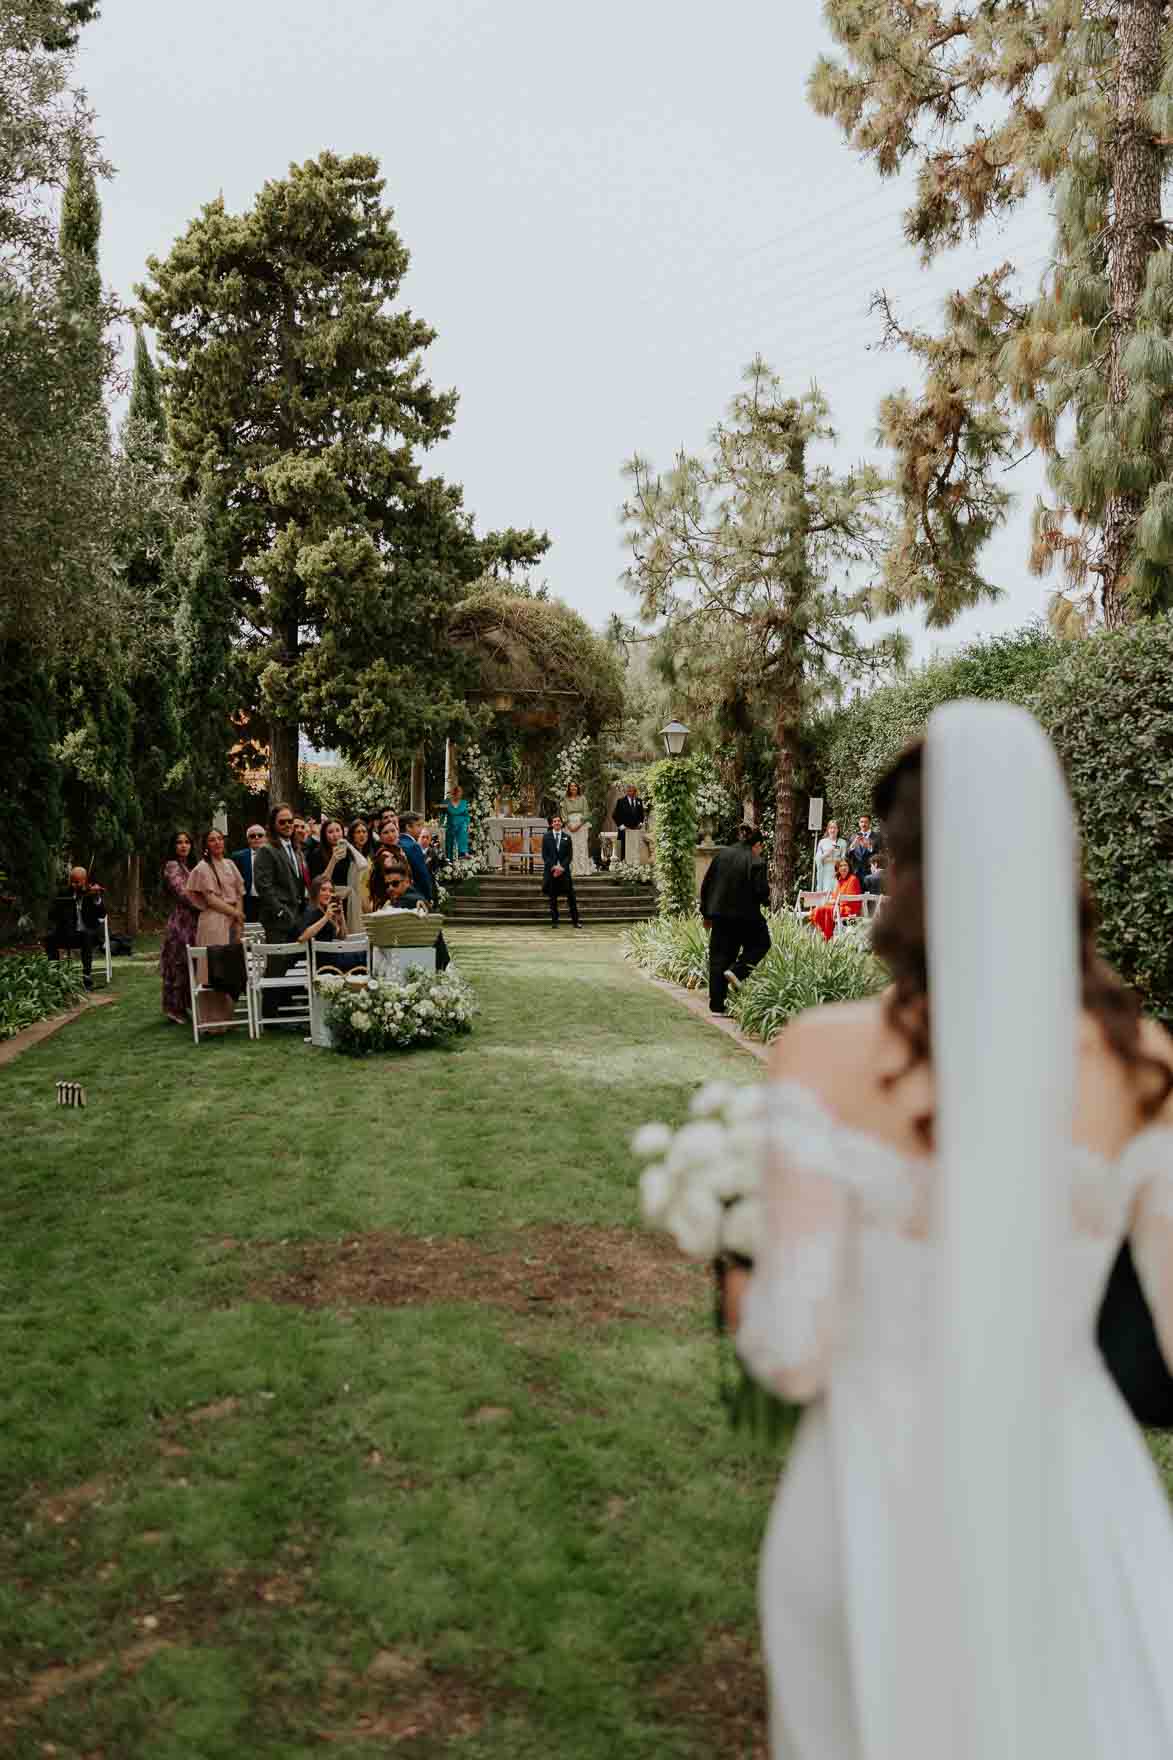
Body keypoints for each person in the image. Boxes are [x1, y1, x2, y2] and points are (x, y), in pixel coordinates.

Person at [734, 704, 1173, 1760]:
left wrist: (735, 1273)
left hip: (865, 1505)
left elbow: (793, 1355)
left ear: (909, 870)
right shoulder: (1143, 1064)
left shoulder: (825, 1053)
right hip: (1074, 1501)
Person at [699, 824, 770, 1015]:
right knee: (762, 943)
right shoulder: (757, 861)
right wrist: (767, 900)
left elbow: (706, 885)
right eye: (761, 846)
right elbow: (761, 892)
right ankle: (738, 971)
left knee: (719, 957)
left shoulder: (721, 856)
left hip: (720, 916)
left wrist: (706, 913)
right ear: (756, 844)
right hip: (746, 917)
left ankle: (717, 1005)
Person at [185, 828, 245, 1030]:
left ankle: (228, 1018)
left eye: (220, 839)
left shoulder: (230, 864)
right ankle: (212, 1022)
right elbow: (210, 899)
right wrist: (234, 913)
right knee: (213, 970)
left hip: (231, 919)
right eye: (212, 840)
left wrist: (238, 918)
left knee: (229, 968)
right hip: (213, 920)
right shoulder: (203, 868)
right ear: (206, 845)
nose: (217, 842)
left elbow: (239, 893)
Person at [44, 866, 106, 993]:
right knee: (50, 938)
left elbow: (102, 915)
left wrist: (97, 898)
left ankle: (87, 978)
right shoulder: (63, 893)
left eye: (77, 882)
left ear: (84, 880)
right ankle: (55, 976)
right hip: (68, 934)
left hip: (87, 935)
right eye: (72, 881)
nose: (74, 884)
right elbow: (51, 914)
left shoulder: (91, 893)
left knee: (87, 936)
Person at [160, 831, 199, 1023]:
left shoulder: (190, 866)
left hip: (194, 922)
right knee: (177, 965)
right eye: (179, 842)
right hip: (181, 923)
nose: (183, 846)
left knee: (190, 965)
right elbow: (182, 892)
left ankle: (184, 1007)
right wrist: (206, 904)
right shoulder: (172, 866)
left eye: (187, 842)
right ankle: (174, 1009)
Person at [296, 875, 363, 971]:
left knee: (367, 953)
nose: (328, 894)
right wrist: (326, 917)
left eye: (331, 891)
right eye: (323, 890)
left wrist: (341, 917)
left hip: (333, 957)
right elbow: (302, 937)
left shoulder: (325, 911)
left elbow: (343, 936)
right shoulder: (311, 910)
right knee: (366, 955)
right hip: (324, 962)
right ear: (315, 892)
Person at [808, 857, 862, 940]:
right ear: (838, 869)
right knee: (822, 909)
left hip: (850, 911)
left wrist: (835, 901)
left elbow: (850, 899)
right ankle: (825, 935)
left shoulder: (853, 879)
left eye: (845, 865)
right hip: (840, 907)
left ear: (849, 867)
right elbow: (835, 897)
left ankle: (827, 936)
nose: (843, 868)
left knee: (822, 909)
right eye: (841, 866)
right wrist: (833, 901)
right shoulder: (840, 881)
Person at [541, 814, 580, 928]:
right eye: (555, 821)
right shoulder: (546, 837)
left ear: (561, 823)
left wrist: (562, 867)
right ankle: (554, 922)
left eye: (559, 821)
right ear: (551, 824)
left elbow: (569, 855)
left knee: (571, 897)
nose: (557, 823)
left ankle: (576, 921)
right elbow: (545, 855)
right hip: (552, 871)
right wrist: (554, 867)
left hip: (564, 872)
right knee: (553, 897)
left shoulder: (567, 837)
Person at [230, 823, 267, 924]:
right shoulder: (238, 857)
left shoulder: (273, 855)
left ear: (265, 838)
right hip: (247, 902)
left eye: (260, 835)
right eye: (252, 836)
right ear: (248, 839)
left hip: (267, 901)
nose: (256, 838)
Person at [397, 811, 435, 902]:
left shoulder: (397, 842)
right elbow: (422, 874)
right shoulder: (413, 846)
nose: (421, 829)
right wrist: (428, 897)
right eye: (418, 825)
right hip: (415, 894)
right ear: (408, 827)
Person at [562, 780, 591, 876]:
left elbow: (586, 812)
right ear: (569, 788)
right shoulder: (565, 799)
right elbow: (563, 814)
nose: (573, 788)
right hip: (569, 825)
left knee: (582, 846)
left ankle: (583, 869)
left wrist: (579, 824)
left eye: (575, 786)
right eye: (571, 786)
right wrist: (569, 825)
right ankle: (572, 869)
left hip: (581, 825)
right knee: (571, 846)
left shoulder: (583, 798)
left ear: (578, 788)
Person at [612, 782, 646, 861]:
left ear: (635, 792)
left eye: (633, 791)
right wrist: (621, 826)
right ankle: (623, 866)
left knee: (635, 848)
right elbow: (615, 815)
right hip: (624, 830)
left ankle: (635, 865)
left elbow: (641, 815)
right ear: (627, 792)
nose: (631, 793)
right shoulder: (620, 801)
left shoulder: (639, 801)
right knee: (623, 849)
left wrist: (640, 823)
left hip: (635, 830)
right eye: (629, 791)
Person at [845, 813, 881, 882]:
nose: (863, 824)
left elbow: (880, 854)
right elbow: (847, 855)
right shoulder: (852, 837)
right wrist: (852, 846)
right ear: (859, 823)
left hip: (871, 873)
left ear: (870, 823)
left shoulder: (877, 837)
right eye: (861, 822)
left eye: (866, 822)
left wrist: (869, 847)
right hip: (856, 873)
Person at [441, 783, 471, 860]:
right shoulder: (446, 802)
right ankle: (449, 858)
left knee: (463, 832)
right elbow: (442, 814)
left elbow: (466, 815)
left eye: (459, 794)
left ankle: (463, 853)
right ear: (452, 794)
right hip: (450, 824)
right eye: (456, 794)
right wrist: (440, 824)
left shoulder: (464, 802)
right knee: (449, 840)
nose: (457, 796)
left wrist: (468, 825)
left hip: (462, 823)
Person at [814, 819, 845, 892]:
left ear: (838, 830)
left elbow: (844, 859)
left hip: (837, 872)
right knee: (826, 891)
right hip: (825, 872)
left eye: (835, 828)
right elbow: (817, 858)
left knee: (837, 892)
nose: (833, 830)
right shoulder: (822, 842)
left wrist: (836, 860)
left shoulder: (842, 842)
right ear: (828, 829)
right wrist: (826, 854)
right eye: (831, 828)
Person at [290, 817, 312, 890]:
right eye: (296, 826)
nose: (300, 830)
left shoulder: (301, 853)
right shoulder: (286, 852)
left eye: (302, 827)